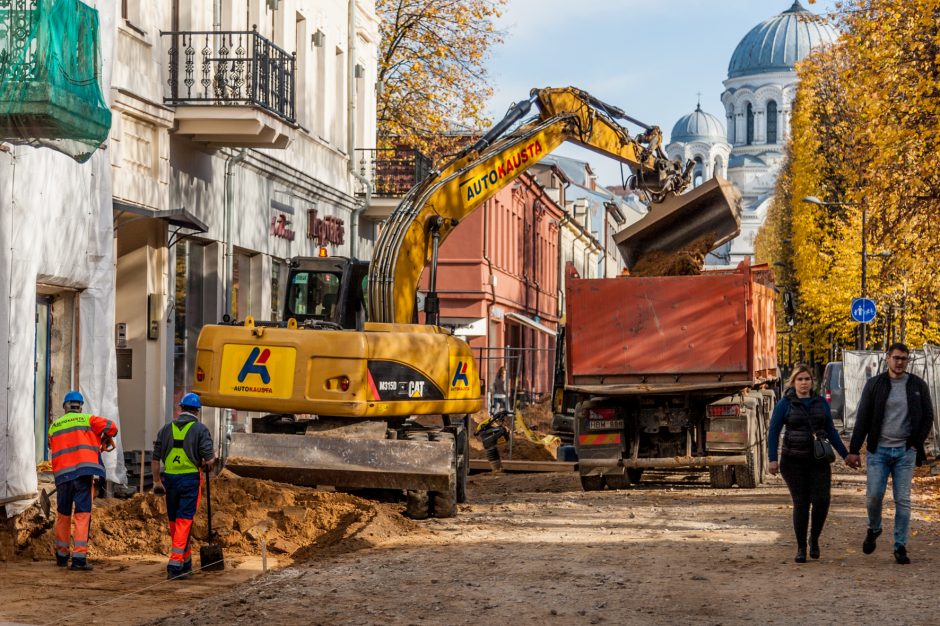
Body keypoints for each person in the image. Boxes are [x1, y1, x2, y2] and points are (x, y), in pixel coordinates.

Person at [846, 342, 934, 565]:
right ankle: (874, 528)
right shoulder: (875, 385)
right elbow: (863, 417)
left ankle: (900, 546)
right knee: (873, 496)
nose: (900, 362)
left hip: (905, 452)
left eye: (904, 358)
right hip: (879, 451)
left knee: (902, 499)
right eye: (896, 358)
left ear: (907, 361)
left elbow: (928, 416)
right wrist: (854, 450)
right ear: (887, 358)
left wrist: (915, 443)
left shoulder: (917, 385)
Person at [768, 364, 849, 563]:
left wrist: (846, 455)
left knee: (822, 501)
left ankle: (814, 539)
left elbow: (830, 430)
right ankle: (801, 547)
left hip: (818, 460)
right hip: (792, 461)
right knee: (801, 504)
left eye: (807, 379)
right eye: (800, 379)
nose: (804, 383)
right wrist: (772, 459)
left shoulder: (820, 403)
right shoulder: (785, 404)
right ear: (793, 382)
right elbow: (774, 432)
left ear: (813, 382)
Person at [47, 390, 118, 570]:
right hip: (83, 474)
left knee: (63, 515)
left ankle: (62, 556)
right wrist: (102, 436)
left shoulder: (54, 427)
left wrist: (97, 441)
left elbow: (53, 445)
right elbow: (113, 427)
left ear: (65, 407)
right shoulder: (89, 420)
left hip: (62, 476)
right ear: (80, 407)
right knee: (82, 515)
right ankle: (79, 559)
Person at [151, 393, 216, 580]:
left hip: (169, 479)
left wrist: (157, 482)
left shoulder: (165, 429)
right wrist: (210, 462)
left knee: (175, 520)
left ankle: (186, 562)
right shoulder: (200, 430)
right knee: (184, 520)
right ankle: (175, 562)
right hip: (189, 480)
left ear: (181, 408)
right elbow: (209, 460)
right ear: (197, 411)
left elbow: (155, 459)